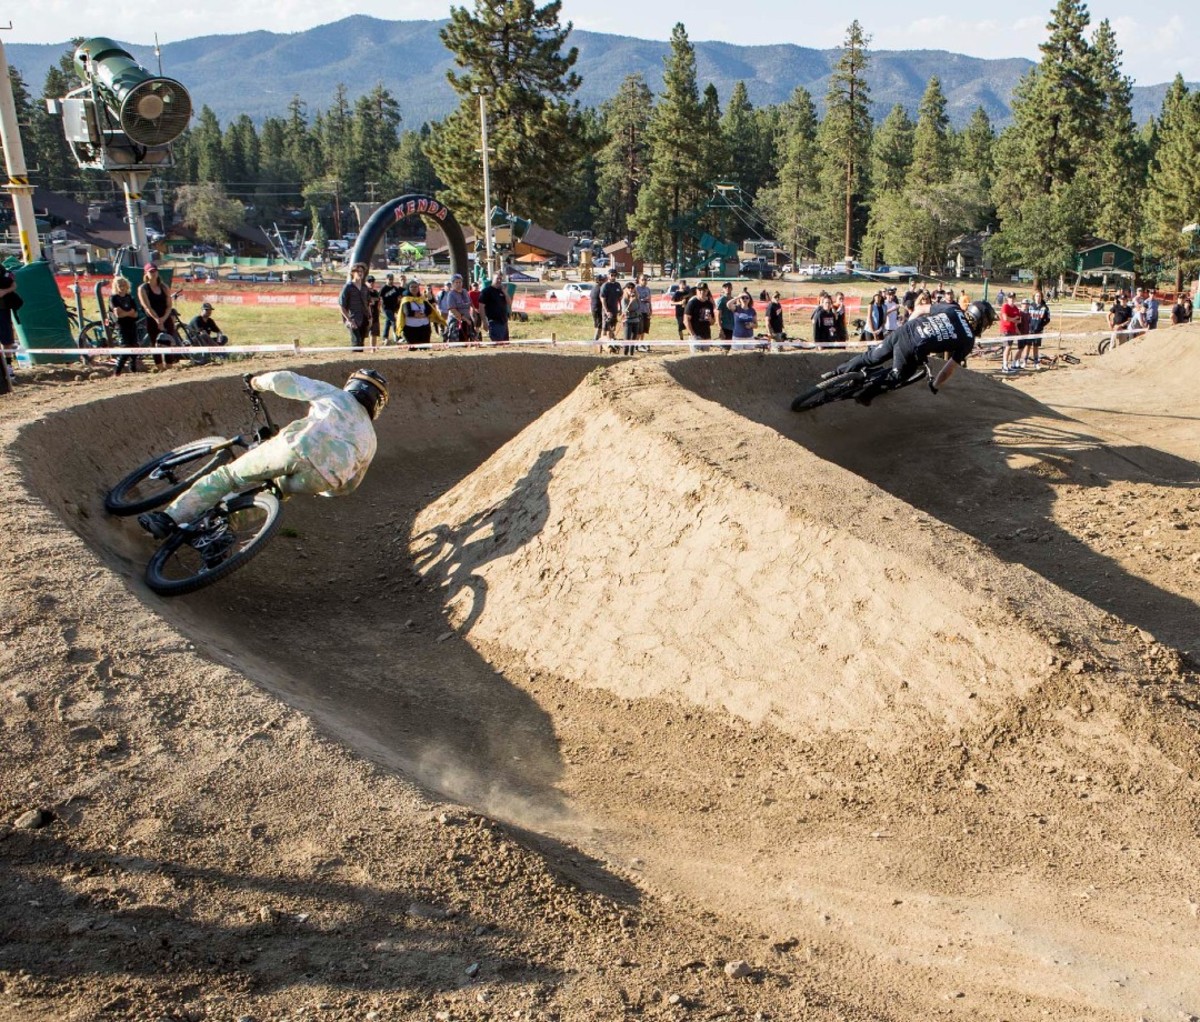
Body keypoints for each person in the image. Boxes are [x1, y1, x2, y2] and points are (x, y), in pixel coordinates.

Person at [139, 369, 388, 561]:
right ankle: (223, 533)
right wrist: (323, 487)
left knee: (229, 475)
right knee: (276, 493)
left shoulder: (337, 396)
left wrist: (256, 382)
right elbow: (351, 484)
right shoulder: (371, 438)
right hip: (324, 478)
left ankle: (168, 519)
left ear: (353, 385)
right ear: (376, 404)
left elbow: (286, 380)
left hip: (296, 447)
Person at [822, 300, 996, 405]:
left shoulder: (953, 309)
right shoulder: (968, 339)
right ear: (981, 321)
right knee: (898, 376)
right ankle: (864, 396)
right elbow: (948, 369)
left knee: (871, 357)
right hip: (912, 347)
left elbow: (920, 309)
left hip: (904, 330)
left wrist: (906, 326)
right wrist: (934, 385)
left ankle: (835, 372)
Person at [138, 263, 178, 369]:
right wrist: (157, 320)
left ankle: (169, 365)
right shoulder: (143, 288)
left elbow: (169, 305)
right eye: (151, 271)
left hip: (165, 316)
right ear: (146, 273)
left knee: (168, 340)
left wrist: (163, 319)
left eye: (155, 271)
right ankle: (159, 367)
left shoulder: (164, 287)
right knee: (155, 342)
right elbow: (147, 306)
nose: (153, 273)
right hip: (152, 318)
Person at [109, 276, 142, 375]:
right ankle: (117, 371)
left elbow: (135, 314)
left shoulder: (130, 298)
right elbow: (118, 314)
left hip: (132, 324)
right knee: (125, 348)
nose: (122, 287)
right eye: (119, 285)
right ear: (116, 286)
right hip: (121, 326)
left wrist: (125, 313)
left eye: (123, 285)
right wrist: (128, 313)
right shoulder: (113, 298)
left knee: (135, 347)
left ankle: (133, 370)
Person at [398, 279, 445, 346]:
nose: (414, 288)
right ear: (408, 288)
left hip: (424, 328)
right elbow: (407, 312)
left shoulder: (422, 298)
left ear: (418, 288)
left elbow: (429, 309)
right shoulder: (405, 299)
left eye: (416, 287)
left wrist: (423, 314)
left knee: (425, 347)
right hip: (411, 329)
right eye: (412, 287)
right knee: (413, 348)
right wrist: (415, 314)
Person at [339, 263, 371, 351]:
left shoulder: (365, 287)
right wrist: (349, 320)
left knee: (361, 344)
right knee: (356, 343)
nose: (360, 273)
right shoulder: (348, 287)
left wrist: (370, 317)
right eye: (358, 271)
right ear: (353, 273)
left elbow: (367, 303)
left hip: (364, 318)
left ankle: (360, 364)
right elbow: (341, 306)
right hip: (353, 319)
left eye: (362, 271)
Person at [684, 281, 716, 352]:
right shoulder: (692, 303)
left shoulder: (709, 304)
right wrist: (693, 335)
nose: (702, 292)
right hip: (696, 335)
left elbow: (713, 322)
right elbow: (686, 320)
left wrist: (710, 319)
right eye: (700, 290)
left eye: (704, 290)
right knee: (696, 358)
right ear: (696, 291)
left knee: (705, 359)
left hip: (706, 335)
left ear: (707, 291)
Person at [480, 272, 510, 342]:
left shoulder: (502, 291)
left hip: (504, 321)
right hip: (493, 322)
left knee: (505, 345)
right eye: (497, 279)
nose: (499, 280)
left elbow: (509, 303)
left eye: (500, 279)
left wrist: (505, 292)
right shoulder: (486, 291)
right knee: (497, 344)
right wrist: (484, 322)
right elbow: (481, 307)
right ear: (493, 279)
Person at [0, 260, 17, 386]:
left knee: (7, 340)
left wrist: (4, 292)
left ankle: (9, 367)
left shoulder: (1, 270)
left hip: (2, 310)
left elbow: (13, 285)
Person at [1024, 290, 1051, 369]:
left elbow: (1048, 319)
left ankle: (1036, 362)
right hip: (1029, 329)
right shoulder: (1030, 306)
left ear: (1041, 297)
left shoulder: (1044, 307)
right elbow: (1026, 316)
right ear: (1034, 297)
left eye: (1039, 296)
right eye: (1036, 296)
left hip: (1038, 330)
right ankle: (1025, 361)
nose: (1038, 297)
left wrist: (1041, 325)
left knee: (1036, 346)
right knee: (1028, 345)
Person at [998, 291, 1022, 372]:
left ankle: (1006, 365)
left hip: (1012, 330)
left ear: (1015, 299)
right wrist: (1014, 319)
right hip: (1006, 329)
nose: (1011, 299)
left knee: (1009, 347)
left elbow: (1019, 320)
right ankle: (1004, 366)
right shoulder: (1005, 306)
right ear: (1007, 299)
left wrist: (1014, 320)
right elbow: (1005, 318)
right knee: (1007, 347)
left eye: (1013, 298)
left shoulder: (1015, 308)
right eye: (1010, 298)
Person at [598, 272, 623, 349]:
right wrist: (606, 311)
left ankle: (610, 345)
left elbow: (620, 297)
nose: (613, 277)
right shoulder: (605, 286)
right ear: (608, 275)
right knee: (605, 328)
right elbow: (603, 299)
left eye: (615, 275)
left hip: (615, 310)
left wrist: (621, 308)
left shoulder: (617, 285)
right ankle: (601, 345)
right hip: (607, 311)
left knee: (612, 328)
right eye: (612, 275)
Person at [379, 273, 403, 343]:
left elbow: (399, 297)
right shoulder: (384, 288)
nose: (391, 281)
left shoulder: (395, 288)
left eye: (392, 279)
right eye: (389, 279)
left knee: (388, 322)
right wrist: (379, 307)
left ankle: (385, 337)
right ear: (386, 280)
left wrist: (398, 303)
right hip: (386, 308)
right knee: (393, 321)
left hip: (393, 308)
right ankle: (398, 337)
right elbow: (379, 297)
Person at [620, 281, 641, 355]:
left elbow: (639, 309)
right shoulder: (624, 299)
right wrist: (630, 302)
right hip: (627, 321)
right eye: (628, 288)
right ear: (626, 289)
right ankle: (625, 354)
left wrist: (635, 313)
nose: (630, 289)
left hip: (636, 320)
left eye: (632, 288)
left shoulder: (637, 298)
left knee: (633, 339)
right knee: (627, 339)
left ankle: (631, 354)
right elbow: (625, 311)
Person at [636, 273, 653, 343]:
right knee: (639, 330)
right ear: (639, 280)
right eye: (643, 280)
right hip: (639, 312)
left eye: (646, 280)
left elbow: (649, 300)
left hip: (646, 311)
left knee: (644, 329)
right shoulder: (636, 288)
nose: (644, 281)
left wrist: (650, 309)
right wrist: (643, 300)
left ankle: (641, 343)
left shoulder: (648, 289)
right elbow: (635, 300)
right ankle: (635, 344)